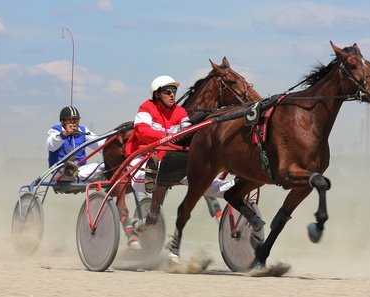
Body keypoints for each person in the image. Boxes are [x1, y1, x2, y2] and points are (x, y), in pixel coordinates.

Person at [124, 75, 234, 226]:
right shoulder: (146, 108)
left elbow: (187, 131)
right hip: (143, 156)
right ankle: (153, 176)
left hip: (170, 162)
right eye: (168, 91)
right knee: (140, 182)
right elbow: (142, 132)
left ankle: (235, 186)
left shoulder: (180, 112)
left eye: (174, 91)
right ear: (157, 94)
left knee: (202, 181)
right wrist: (168, 136)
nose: (172, 95)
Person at [46, 106, 105, 182]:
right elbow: (51, 146)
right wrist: (64, 134)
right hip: (60, 172)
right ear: (63, 121)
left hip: (80, 171)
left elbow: (101, 145)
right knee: (69, 168)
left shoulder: (83, 131)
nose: (74, 123)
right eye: (70, 120)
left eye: (76, 120)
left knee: (105, 167)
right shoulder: (56, 130)